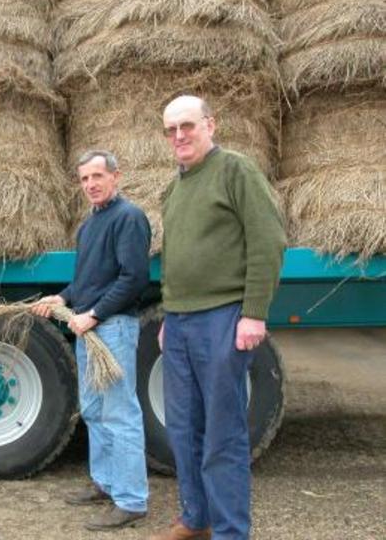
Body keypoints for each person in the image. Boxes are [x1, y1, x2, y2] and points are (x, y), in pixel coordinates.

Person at [148, 96, 285, 540]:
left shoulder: (235, 171)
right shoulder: (175, 188)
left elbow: (267, 242)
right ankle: (196, 518)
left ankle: (230, 531)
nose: (179, 136)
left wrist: (254, 314)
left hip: (224, 319)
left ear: (211, 125)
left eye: (187, 125)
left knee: (222, 435)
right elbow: (174, 261)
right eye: (170, 130)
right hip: (183, 323)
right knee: (183, 429)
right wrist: (170, 313)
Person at [32, 150, 151, 531]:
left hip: (112, 328)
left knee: (120, 412)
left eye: (97, 176)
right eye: (84, 179)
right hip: (91, 328)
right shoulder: (88, 226)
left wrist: (94, 314)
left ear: (117, 176)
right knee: (96, 410)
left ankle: (131, 500)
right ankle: (106, 483)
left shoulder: (129, 218)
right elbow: (88, 282)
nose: (91, 185)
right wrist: (64, 298)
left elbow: (134, 279)